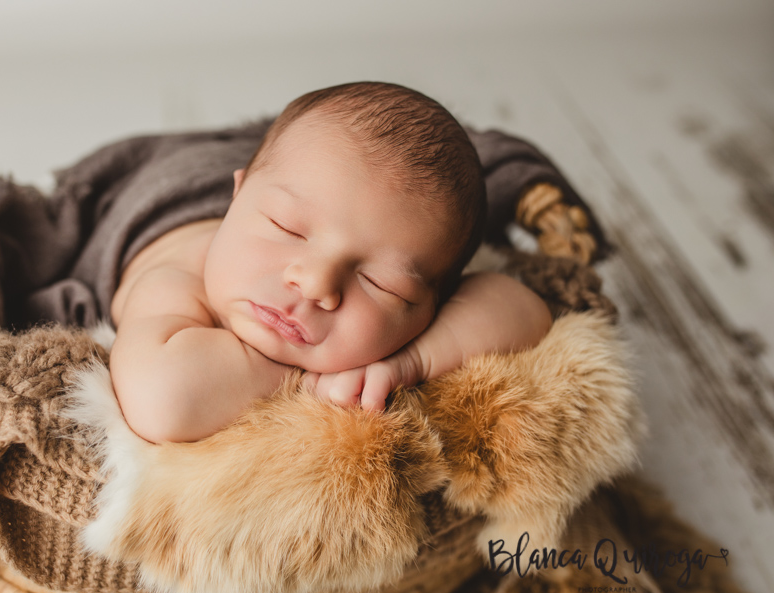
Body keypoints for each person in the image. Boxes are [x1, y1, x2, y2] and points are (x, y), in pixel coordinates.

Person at [105, 82, 553, 444]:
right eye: (287, 228)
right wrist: (307, 381)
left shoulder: (411, 293)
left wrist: (410, 363)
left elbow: (527, 310)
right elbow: (162, 401)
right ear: (237, 196)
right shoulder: (174, 281)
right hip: (167, 188)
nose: (315, 282)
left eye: (382, 284)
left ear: (432, 307)